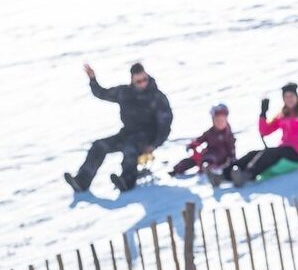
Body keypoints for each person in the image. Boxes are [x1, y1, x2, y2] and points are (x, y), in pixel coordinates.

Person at [65, 63, 173, 192]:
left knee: (130, 148)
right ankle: (82, 181)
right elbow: (102, 93)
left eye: (145, 79)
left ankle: (127, 181)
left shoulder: (157, 97)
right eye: (139, 81)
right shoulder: (124, 92)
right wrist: (93, 79)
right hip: (127, 133)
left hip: (146, 137)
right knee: (99, 146)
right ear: (132, 80)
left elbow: (165, 125)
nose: (143, 83)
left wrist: (154, 144)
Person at [224, 82, 298, 187]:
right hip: (283, 150)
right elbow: (265, 131)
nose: (289, 99)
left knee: (270, 152)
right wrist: (263, 114)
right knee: (254, 153)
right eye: (286, 96)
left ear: (297, 97)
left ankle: (246, 175)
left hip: (297, 153)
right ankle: (224, 175)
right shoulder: (283, 115)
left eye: (291, 96)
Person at [170, 104, 235, 181]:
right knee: (194, 159)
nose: (220, 123)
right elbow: (201, 139)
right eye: (217, 121)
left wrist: (232, 158)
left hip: (220, 157)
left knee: (209, 159)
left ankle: (206, 169)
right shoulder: (210, 132)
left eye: (222, 121)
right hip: (208, 153)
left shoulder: (227, 133)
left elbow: (231, 146)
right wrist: (193, 144)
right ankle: (177, 169)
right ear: (213, 121)